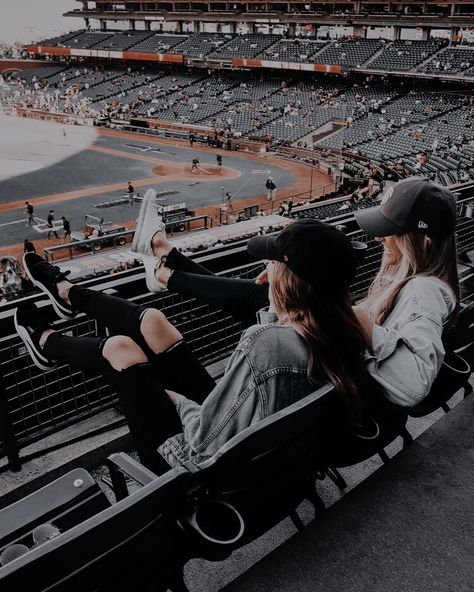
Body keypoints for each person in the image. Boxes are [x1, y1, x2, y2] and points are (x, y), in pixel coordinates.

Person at [16, 220, 378, 476]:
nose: (264, 268)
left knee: (121, 349)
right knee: (153, 320)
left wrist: (171, 399)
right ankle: (66, 293)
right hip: (263, 446)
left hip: (197, 464)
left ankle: (47, 342)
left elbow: (201, 446)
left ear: (289, 279)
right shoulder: (352, 324)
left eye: (271, 263)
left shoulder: (267, 344)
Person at [135, 178, 460, 408]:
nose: (379, 239)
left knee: (261, 297)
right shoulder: (424, 282)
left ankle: (164, 267)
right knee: (262, 294)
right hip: (338, 381)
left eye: (389, 232)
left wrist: (356, 319)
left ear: (423, 242)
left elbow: (416, 384)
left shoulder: (423, 291)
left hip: (337, 394)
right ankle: (166, 263)